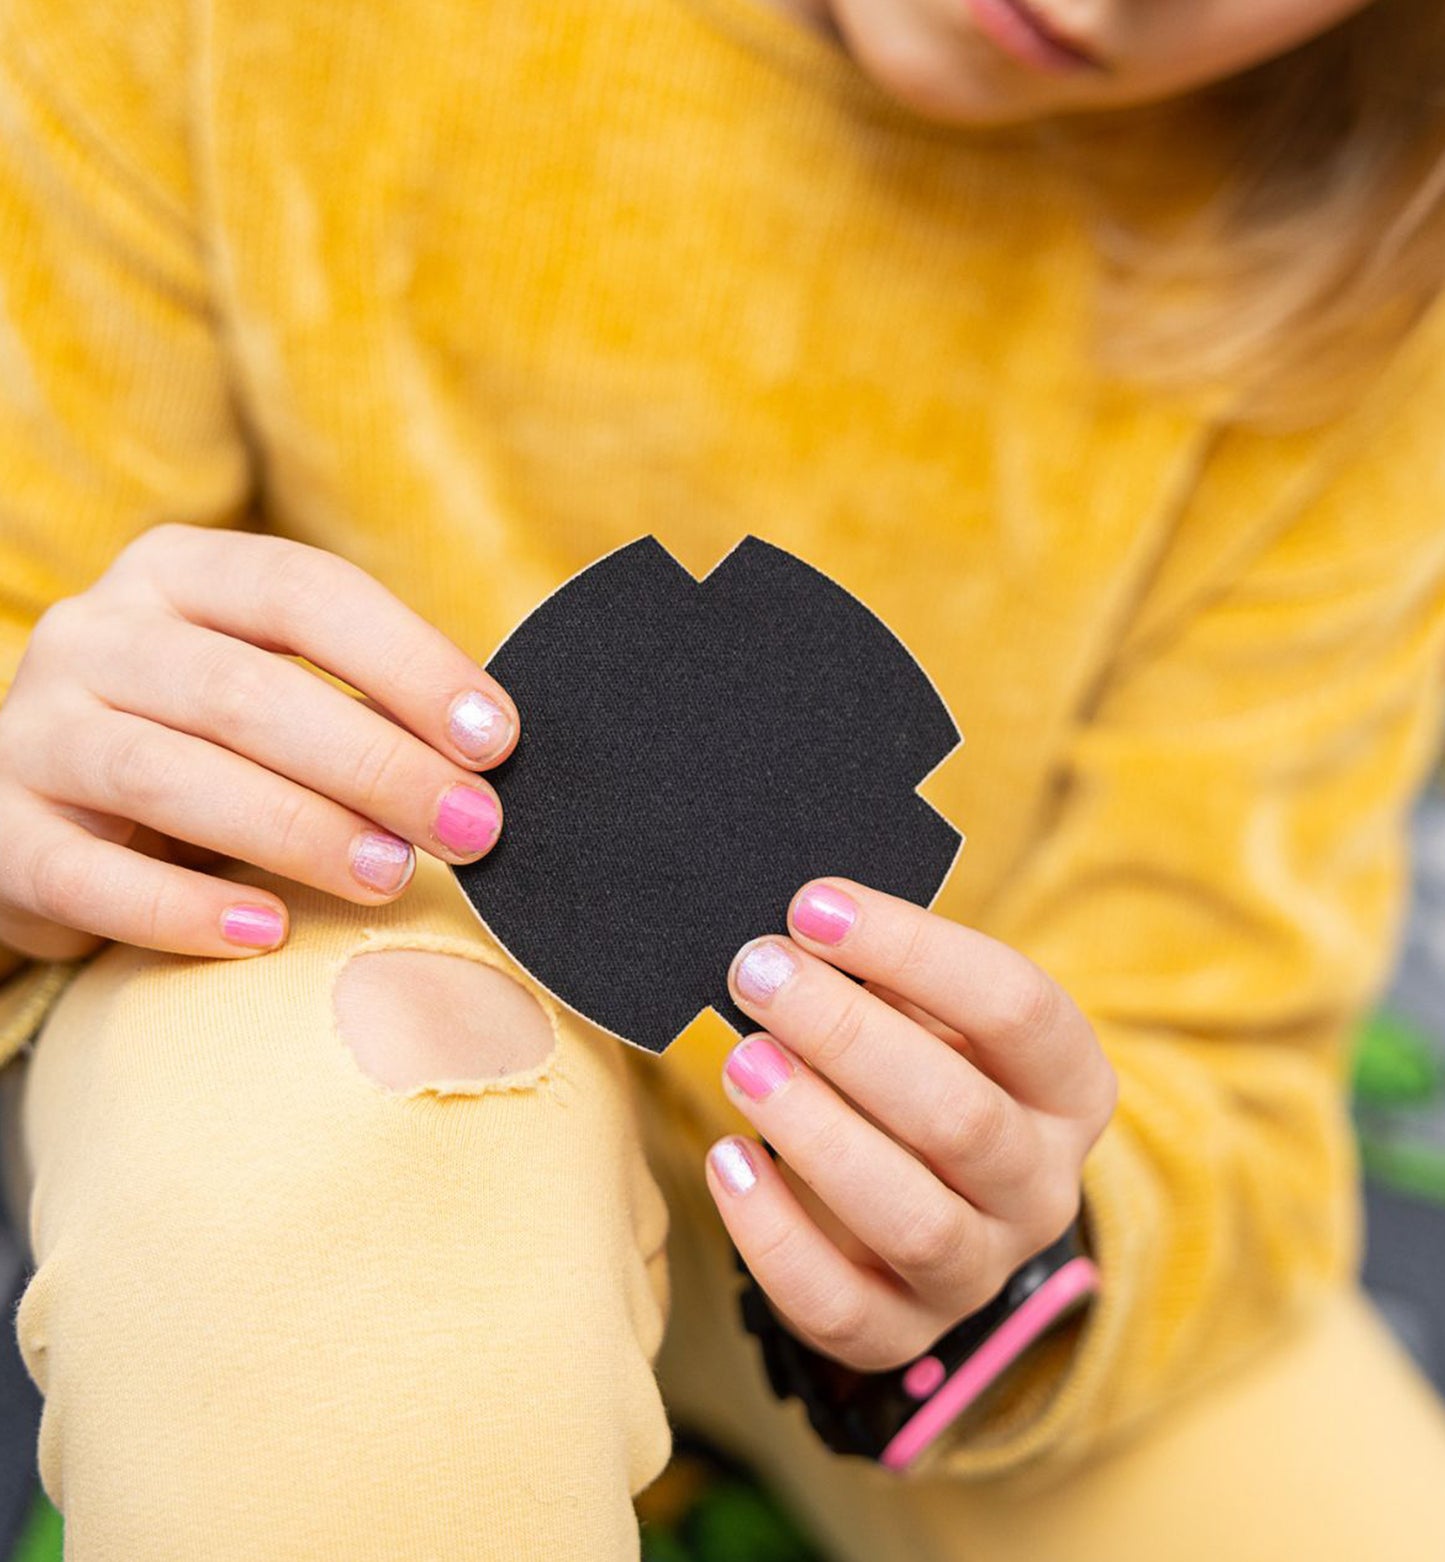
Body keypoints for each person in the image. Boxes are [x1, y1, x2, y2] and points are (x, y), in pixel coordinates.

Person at [1, 0, 1444, 1556]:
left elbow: (1216, 1054)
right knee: (369, 1132)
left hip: (914, 1215)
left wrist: (1019, 1244)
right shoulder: (209, 33)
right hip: (321, 990)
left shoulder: (1376, 271)